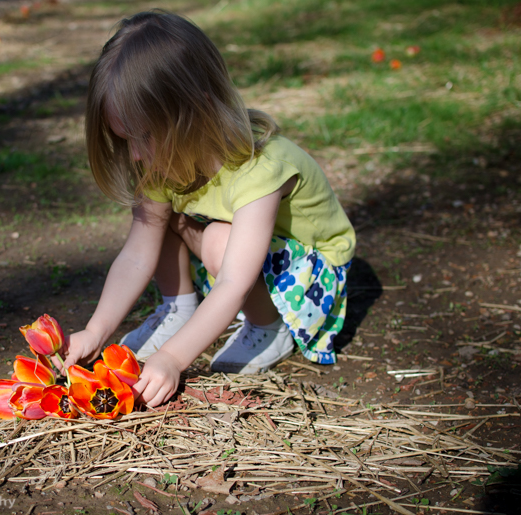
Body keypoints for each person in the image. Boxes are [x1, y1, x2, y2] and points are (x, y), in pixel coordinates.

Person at [62, 10, 355, 407]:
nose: (135, 155)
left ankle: (269, 327)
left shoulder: (260, 169)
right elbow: (136, 255)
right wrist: (96, 331)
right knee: (163, 218)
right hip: (251, 261)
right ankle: (179, 308)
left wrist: (173, 358)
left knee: (218, 239)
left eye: (144, 135)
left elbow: (233, 281)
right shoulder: (164, 159)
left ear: (195, 112)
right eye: (125, 140)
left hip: (311, 282)